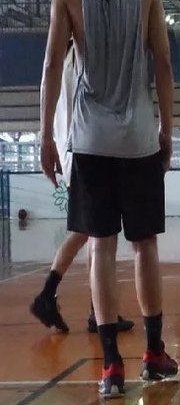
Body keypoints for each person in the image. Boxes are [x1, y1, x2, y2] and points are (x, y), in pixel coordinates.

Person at [38, 0, 179, 397]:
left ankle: (110, 367)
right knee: (145, 247)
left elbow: (53, 67)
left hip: (91, 143)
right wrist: (166, 130)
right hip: (138, 140)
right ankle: (154, 353)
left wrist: (44, 136)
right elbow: (162, 63)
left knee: (101, 248)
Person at [31, 40, 134, 335]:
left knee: (91, 234)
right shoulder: (81, 57)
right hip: (84, 151)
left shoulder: (62, 63)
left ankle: (97, 310)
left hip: (71, 151)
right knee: (89, 232)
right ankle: (47, 295)